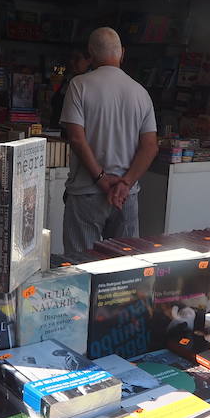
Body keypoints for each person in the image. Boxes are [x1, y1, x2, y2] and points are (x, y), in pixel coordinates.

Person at [61, 27, 159, 254]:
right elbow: (150, 147)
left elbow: (76, 138)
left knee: (82, 269)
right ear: (122, 53)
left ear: (90, 53)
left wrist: (101, 178)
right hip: (126, 197)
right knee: (123, 270)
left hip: (86, 192)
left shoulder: (79, 86)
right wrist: (125, 183)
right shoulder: (140, 92)